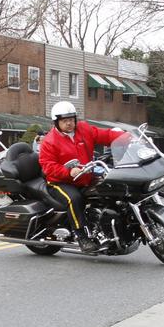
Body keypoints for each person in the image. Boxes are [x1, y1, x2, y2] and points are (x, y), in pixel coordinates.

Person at [39, 101, 119, 254]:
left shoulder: (83, 129)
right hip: (59, 182)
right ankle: (81, 236)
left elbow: (105, 135)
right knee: (74, 199)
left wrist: (127, 137)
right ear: (56, 122)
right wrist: (68, 172)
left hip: (85, 177)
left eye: (71, 119)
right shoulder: (50, 141)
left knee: (112, 186)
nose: (69, 123)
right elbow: (47, 165)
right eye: (64, 120)